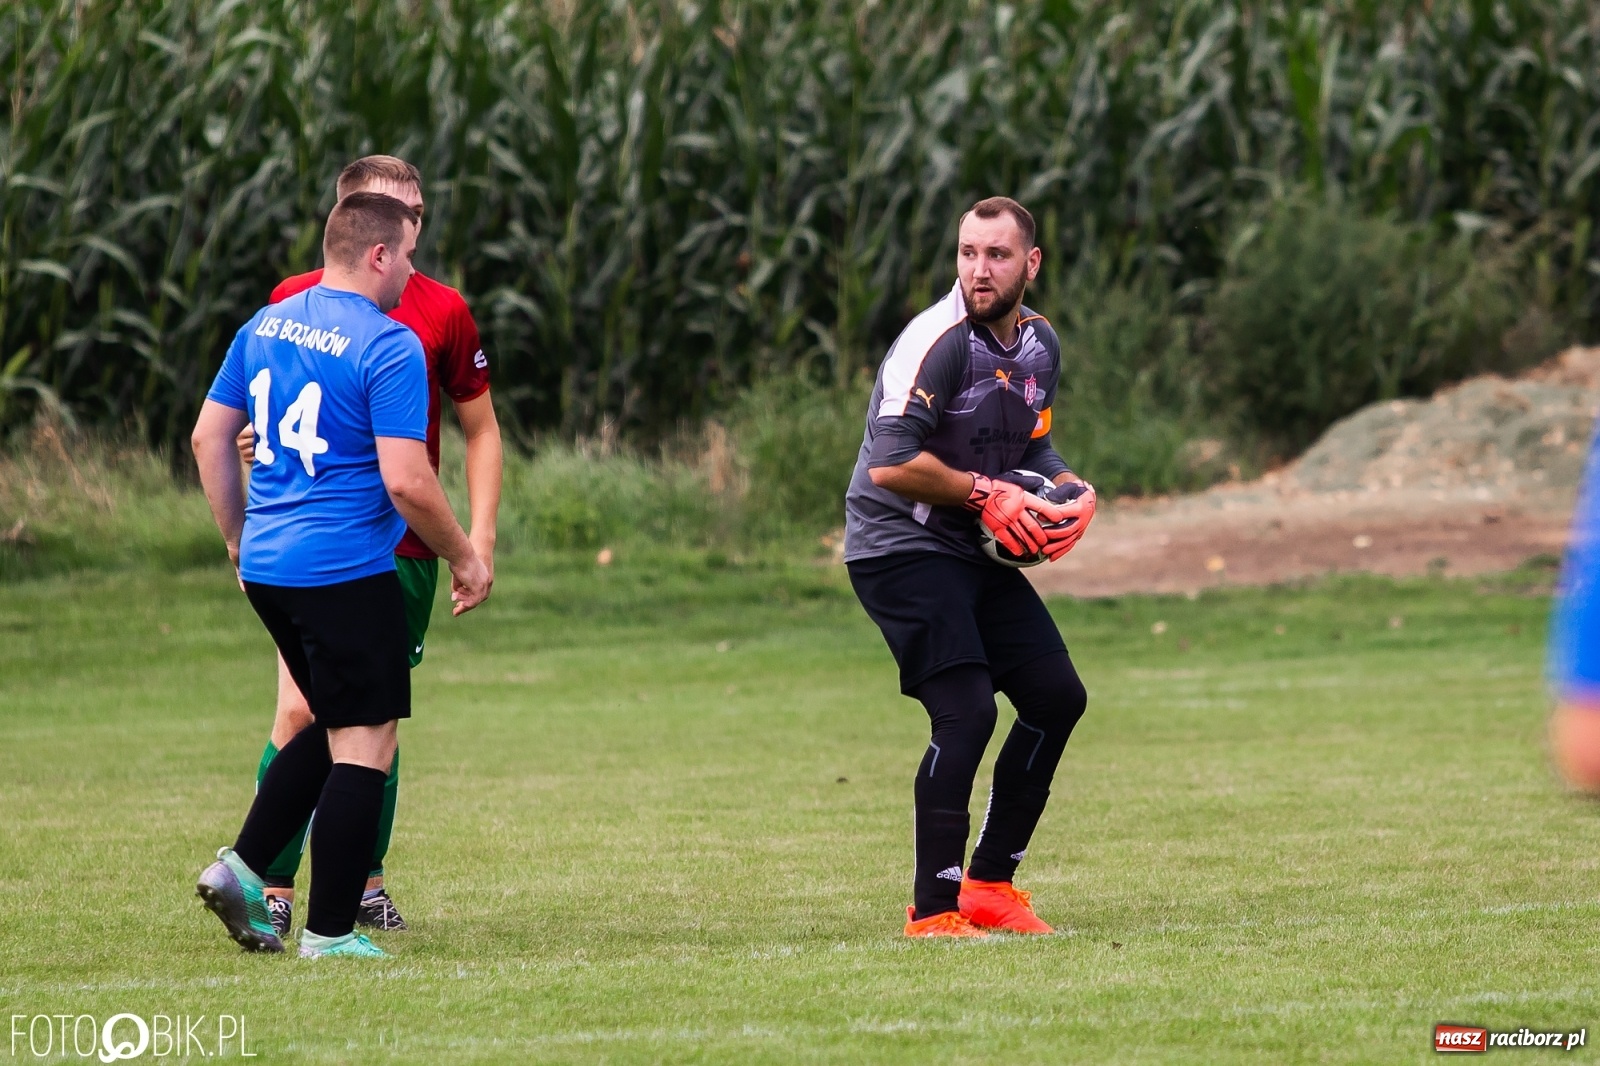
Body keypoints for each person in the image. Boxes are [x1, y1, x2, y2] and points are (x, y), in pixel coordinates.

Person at [191, 192, 491, 958]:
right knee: (367, 740)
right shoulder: (388, 344)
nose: (413, 272)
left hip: (270, 565)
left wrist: (238, 540)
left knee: (331, 722)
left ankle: (242, 867)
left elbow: (207, 438)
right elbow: (408, 480)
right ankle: (328, 933)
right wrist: (464, 554)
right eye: (408, 255)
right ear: (378, 255)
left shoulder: (265, 325)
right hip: (345, 569)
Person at [842, 196, 1097, 938]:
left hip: (964, 545)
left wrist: (1072, 489)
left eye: (997, 255)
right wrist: (987, 494)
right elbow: (891, 465)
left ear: (1031, 263)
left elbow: (1032, 444)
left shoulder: (1039, 345)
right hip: (896, 546)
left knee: (1056, 696)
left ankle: (989, 886)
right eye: (967, 253)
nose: (978, 270)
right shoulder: (938, 342)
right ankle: (933, 909)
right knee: (968, 711)